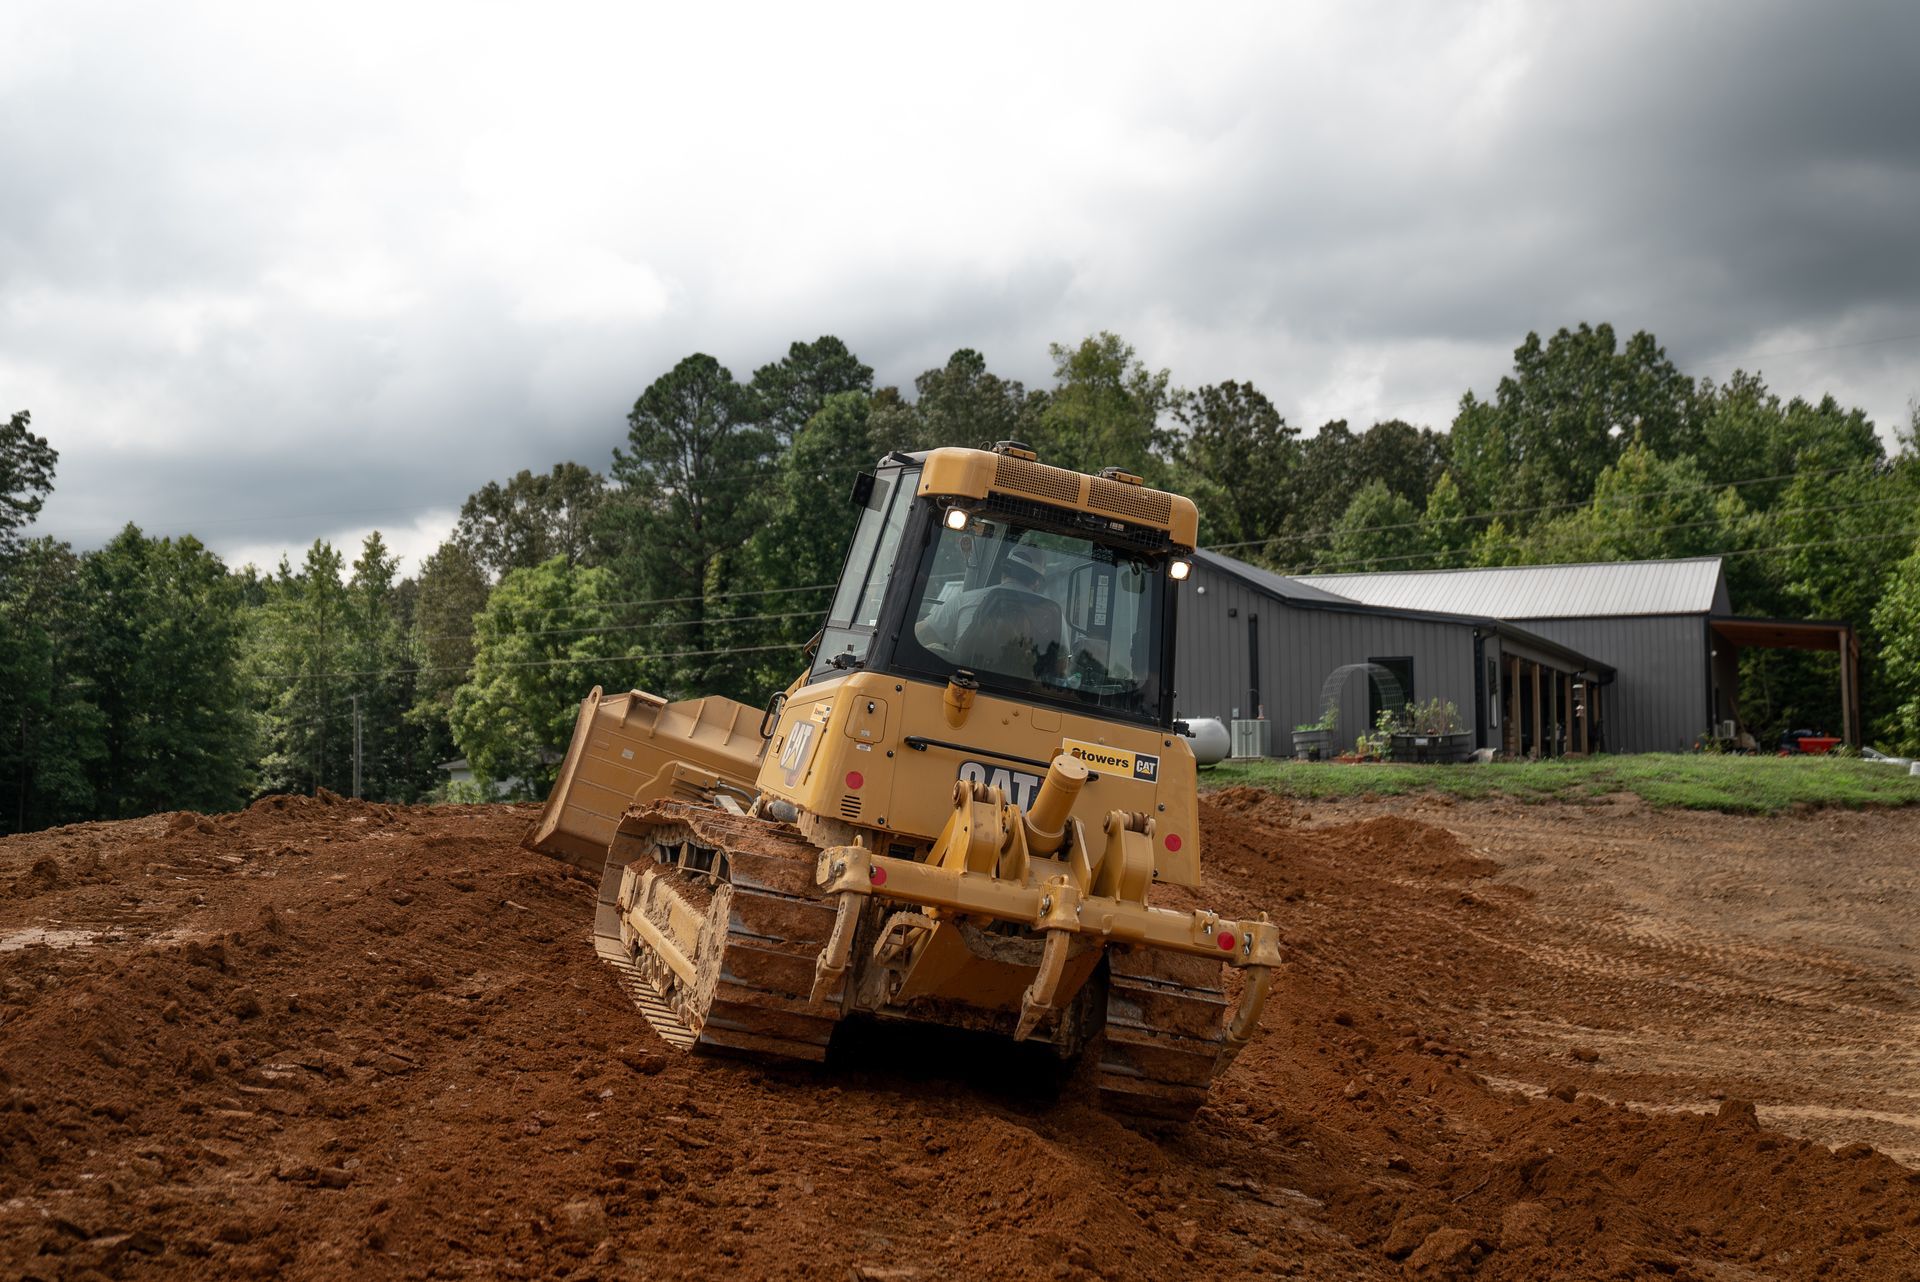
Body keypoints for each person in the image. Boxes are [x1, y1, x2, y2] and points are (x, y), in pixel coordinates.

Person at [915, 543, 1064, 676]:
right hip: (1026, 697)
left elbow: (920, 636)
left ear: (1004, 570)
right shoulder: (1052, 614)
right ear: (1037, 582)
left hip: (963, 686)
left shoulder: (965, 600)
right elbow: (1061, 666)